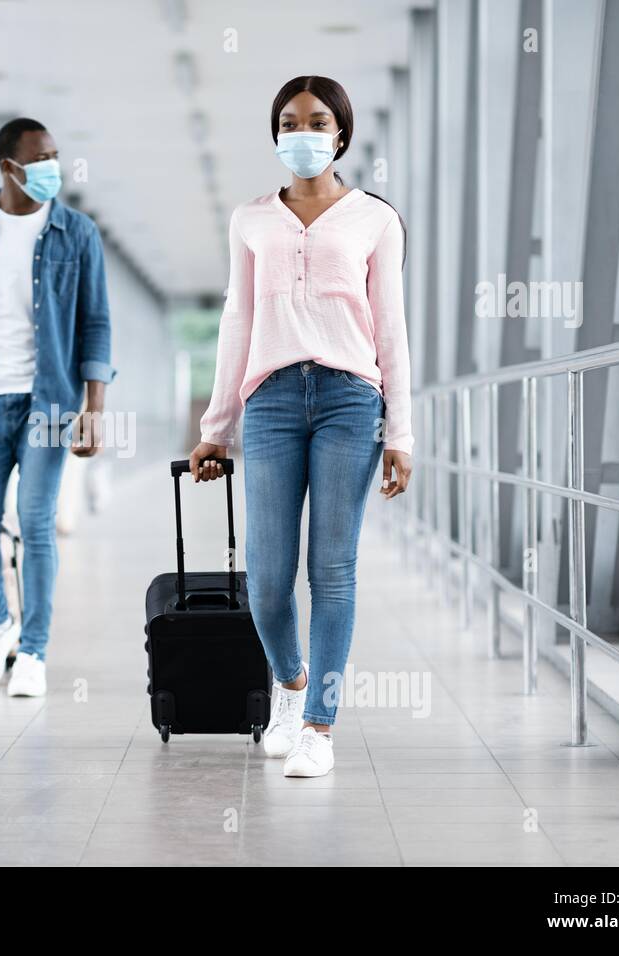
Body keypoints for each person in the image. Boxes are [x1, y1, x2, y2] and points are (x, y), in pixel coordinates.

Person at [189, 76, 413, 778]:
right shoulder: (251, 219)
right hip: (273, 402)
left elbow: (391, 330)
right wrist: (216, 425)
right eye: (290, 121)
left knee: (333, 567)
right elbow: (239, 320)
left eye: (318, 121)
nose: (303, 133)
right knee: (268, 575)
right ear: (276, 133)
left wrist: (401, 433)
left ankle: (319, 724)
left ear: (341, 133)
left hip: (351, 399)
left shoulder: (375, 219)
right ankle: (289, 686)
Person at [0, 118, 115, 697]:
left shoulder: (76, 233)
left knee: (35, 525)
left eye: (56, 154)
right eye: (41, 158)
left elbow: (96, 323)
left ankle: (33, 652)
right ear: (9, 167)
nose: (53, 167)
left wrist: (94, 408)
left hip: (48, 403)